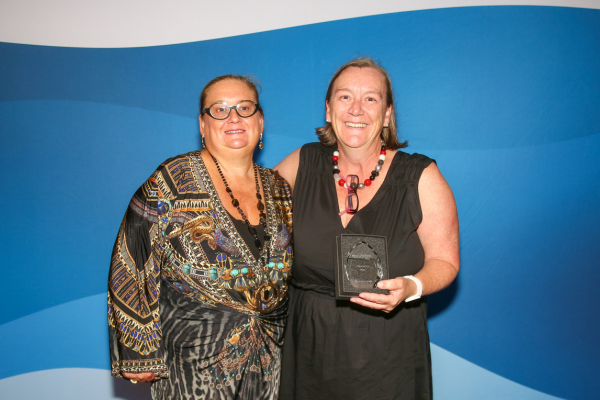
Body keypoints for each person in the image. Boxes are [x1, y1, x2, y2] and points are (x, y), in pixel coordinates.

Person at [275, 58, 459, 400]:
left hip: (388, 350)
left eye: (370, 99)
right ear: (328, 110)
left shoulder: (420, 176)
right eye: (345, 97)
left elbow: (445, 263)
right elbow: (247, 217)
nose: (356, 109)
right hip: (307, 344)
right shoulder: (302, 162)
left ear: (387, 113)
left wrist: (411, 286)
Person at [107, 74, 293, 399]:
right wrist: (138, 350)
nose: (233, 117)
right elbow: (132, 256)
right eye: (219, 109)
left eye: (244, 108)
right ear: (203, 125)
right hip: (192, 367)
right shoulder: (172, 179)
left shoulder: (279, 189)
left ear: (260, 122)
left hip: (269, 364)